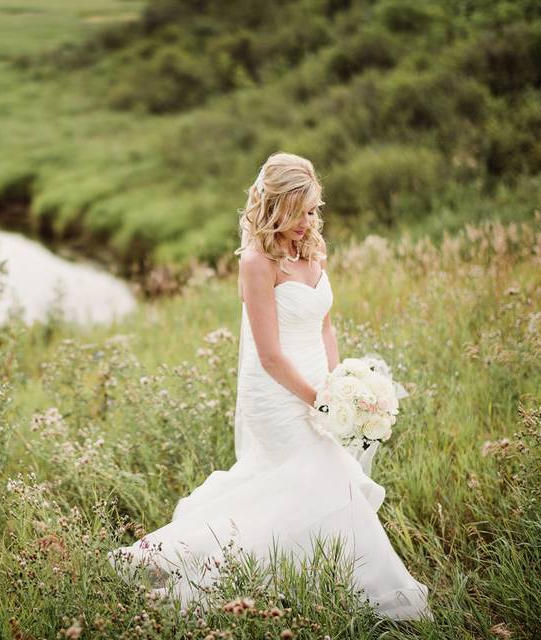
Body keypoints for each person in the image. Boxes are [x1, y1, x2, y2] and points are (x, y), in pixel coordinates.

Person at [107, 152, 432, 620]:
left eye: (314, 209)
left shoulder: (315, 249)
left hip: (320, 386)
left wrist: (342, 386)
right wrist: (320, 403)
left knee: (296, 490)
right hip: (278, 395)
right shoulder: (258, 263)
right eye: (298, 211)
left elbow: (325, 325)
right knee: (326, 481)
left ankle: (311, 580)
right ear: (275, 207)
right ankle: (383, 597)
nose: (308, 221)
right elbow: (269, 354)